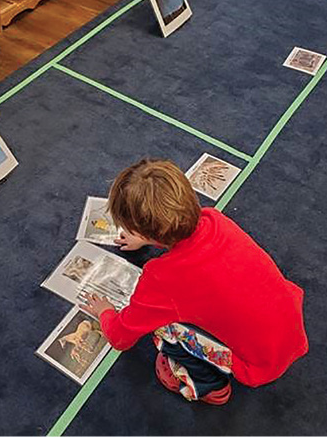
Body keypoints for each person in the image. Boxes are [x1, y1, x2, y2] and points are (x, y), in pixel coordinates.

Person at [83, 158, 308, 405]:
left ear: (142, 231)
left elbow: (120, 338)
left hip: (261, 363)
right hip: (289, 329)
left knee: (162, 330)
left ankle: (207, 385)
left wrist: (105, 313)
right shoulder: (214, 219)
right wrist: (146, 238)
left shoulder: (161, 278)